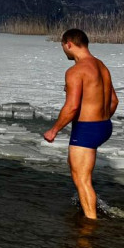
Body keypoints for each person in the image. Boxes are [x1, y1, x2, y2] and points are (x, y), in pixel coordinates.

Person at [43, 29, 119, 220]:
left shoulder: (76, 71)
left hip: (87, 129)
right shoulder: (101, 66)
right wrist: (100, 119)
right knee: (76, 167)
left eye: (62, 46)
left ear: (68, 44)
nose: (63, 50)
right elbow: (114, 101)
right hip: (103, 125)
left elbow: (72, 107)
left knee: (82, 179)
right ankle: (87, 201)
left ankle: (90, 227)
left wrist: (54, 130)